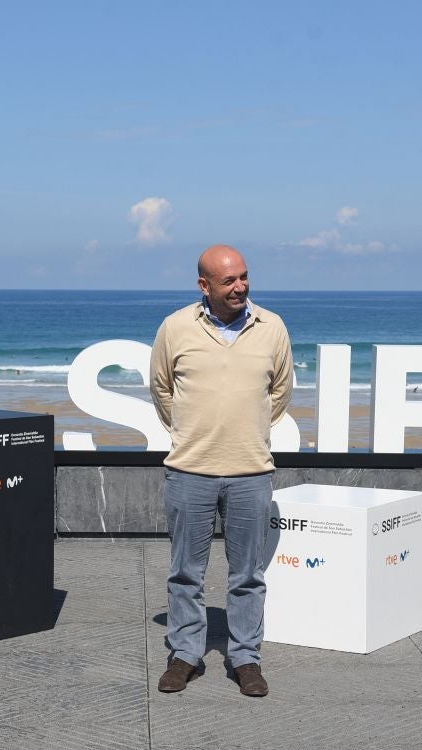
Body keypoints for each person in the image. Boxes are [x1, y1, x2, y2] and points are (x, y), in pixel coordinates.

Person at [149, 244, 294, 697]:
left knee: (247, 574)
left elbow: (280, 392)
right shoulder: (174, 328)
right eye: (229, 280)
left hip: (251, 471)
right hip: (190, 470)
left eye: (244, 277)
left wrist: (242, 430)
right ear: (204, 286)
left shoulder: (272, 327)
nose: (240, 286)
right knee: (186, 573)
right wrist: (198, 431)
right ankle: (186, 655)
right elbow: (161, 389)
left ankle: (245, 658)